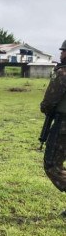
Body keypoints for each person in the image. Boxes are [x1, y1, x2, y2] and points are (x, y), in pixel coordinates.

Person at [40, 40, 66, 217]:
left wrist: (46, 109)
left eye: (63, 51)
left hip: (63, 124)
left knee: (52, 164)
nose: (61, 54)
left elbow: (49, 102)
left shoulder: (62, 73)